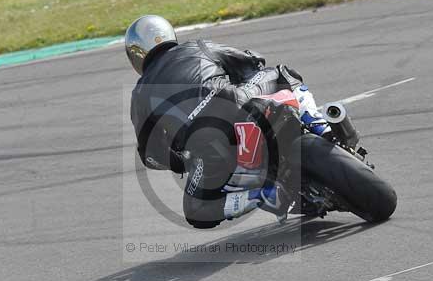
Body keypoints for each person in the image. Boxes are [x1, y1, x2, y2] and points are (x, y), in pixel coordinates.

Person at [127, 15, 335, 229]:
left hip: (207, 149)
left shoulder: (139, 95)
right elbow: (253, 61)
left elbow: (150, 155)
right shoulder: (197, 46)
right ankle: (317, 122)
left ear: (136, 56)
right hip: (239, 105)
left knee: (195, 211)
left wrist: (184, 161)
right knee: (282, 72)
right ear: (169, 34)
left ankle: (260, 195)